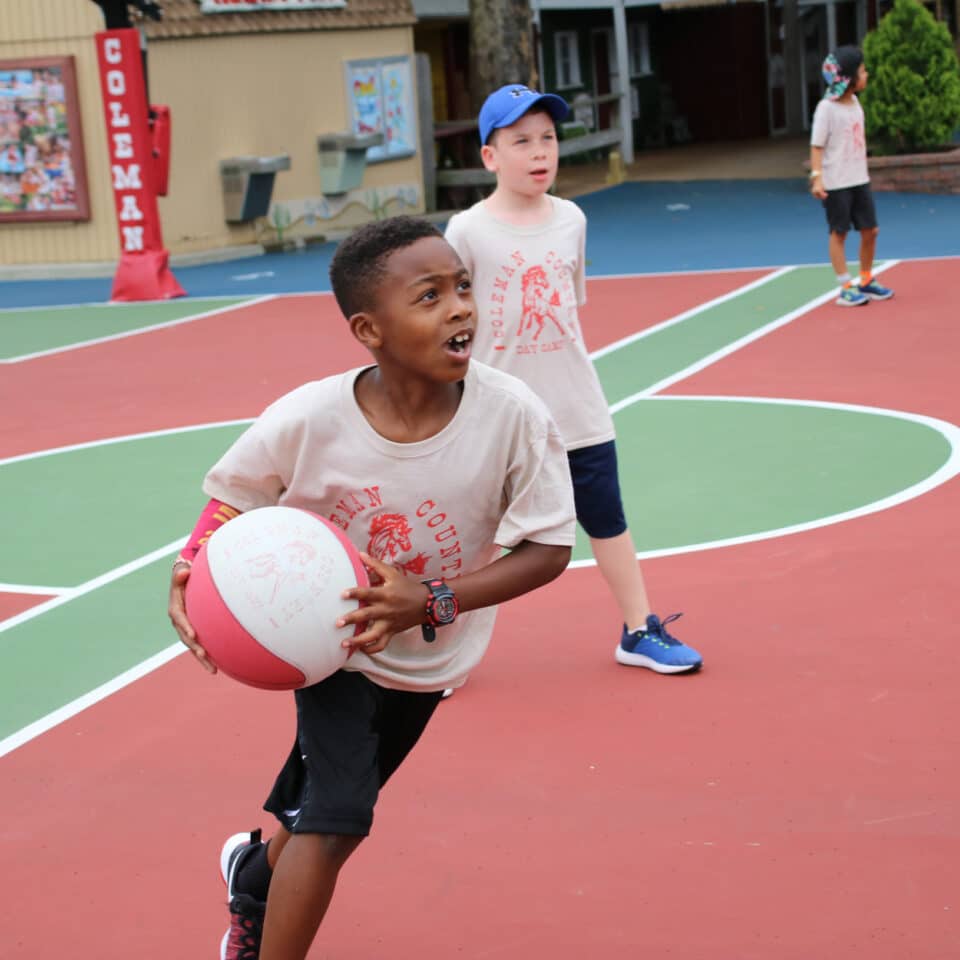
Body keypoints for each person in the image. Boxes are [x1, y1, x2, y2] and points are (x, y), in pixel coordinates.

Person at [167, 216, 576, 960]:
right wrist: (193, 566)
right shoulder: (311, 416)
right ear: (370, 329)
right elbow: (232, 496)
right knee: (338, 818)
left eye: (461, 287)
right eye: (429, 296)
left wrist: (433, 600)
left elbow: (549, 547)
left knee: (323, 806)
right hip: (329, 646)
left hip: (428, 658)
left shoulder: (513, 416)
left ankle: (253, 877)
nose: (459, 307)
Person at [445, 84, 703, 675]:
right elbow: (452, 323)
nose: (540, 153)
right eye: (522, 142)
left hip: (576, 406)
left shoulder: (572, 220)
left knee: (607, 518)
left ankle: (639, 630)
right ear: (490, 156)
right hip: (494, 413)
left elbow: (569, 308)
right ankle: (441, 648)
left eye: (549, 139)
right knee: (468, 535)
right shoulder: (466, 231)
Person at [809, 46, 894, 307]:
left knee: (871, 230)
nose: (866, 74)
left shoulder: (855, 102)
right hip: (836, 183)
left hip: (859, 179)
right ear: (847, 79)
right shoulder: (826, 109)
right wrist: (817, 177)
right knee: (840, 233)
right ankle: (845, 287)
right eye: (862, 71)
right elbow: (817, 146)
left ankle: (866, 279)